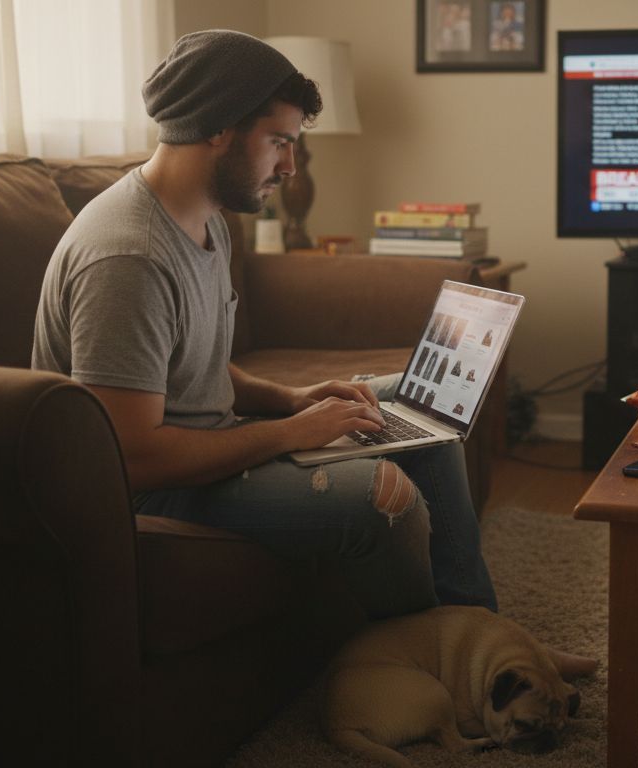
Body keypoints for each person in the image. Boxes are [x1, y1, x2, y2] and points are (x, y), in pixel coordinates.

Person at [31, 30, 493, 620]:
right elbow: (130, 457)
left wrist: (292, 398)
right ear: (218, 126)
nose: (290, 166)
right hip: (146, 488)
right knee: (383, 496)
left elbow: (192, 363)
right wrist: (289, 431)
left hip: (204, 450)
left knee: (416, 401)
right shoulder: (129, 257)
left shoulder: (208, 219)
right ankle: (437, 660)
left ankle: (482, 630)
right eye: (278, 141)